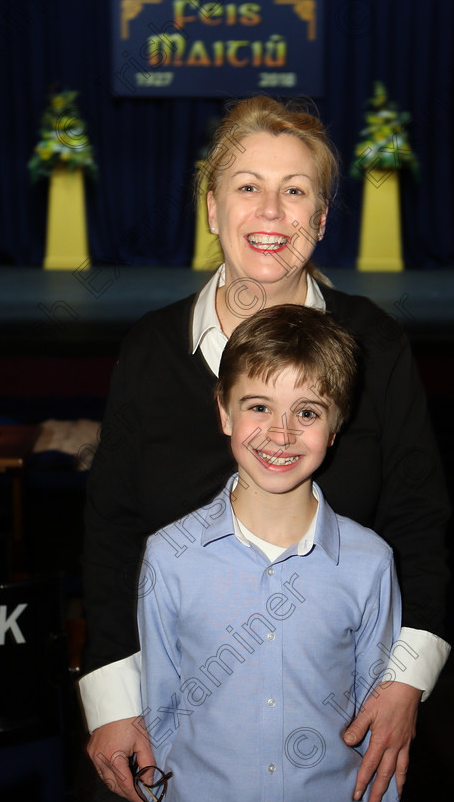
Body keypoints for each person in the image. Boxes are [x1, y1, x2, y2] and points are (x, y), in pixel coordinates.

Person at [80, 95, 451, 802]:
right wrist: (113, 701)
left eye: (296, 191)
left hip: (333, 728)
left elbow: (418, 520)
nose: (271, 212)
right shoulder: (152, 350)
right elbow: (112, 531)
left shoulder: (377, 346)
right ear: (213, 209)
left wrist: (406, 681)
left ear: (320, 217)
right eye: (248, 187)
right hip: (176, 729)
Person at [137, 303, 402, 802]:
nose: (281, 434)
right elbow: (160, 712)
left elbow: (377, 721)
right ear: (223, 411)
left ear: (336, 423)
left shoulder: (370, 562)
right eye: (258, 406)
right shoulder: (169, 557)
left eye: (307, 412)